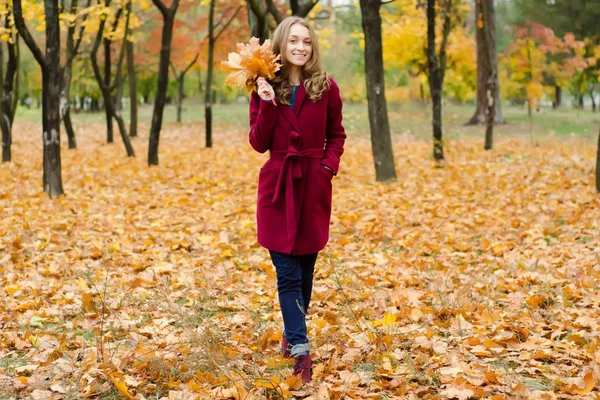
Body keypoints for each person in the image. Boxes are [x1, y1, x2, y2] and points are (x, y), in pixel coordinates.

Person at [248, 16, 346, 383]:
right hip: (277, 187)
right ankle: (301, 352)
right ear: (281, 45)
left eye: (306, 41)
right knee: (286, 275)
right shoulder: (262, 87)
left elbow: (337, 135)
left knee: (305, 274)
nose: (300, 47)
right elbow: (258, 143)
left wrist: (327, 168)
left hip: (313, 187)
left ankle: (291, 334)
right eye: (293, 41)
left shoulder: (326, 87)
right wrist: (268, 103)